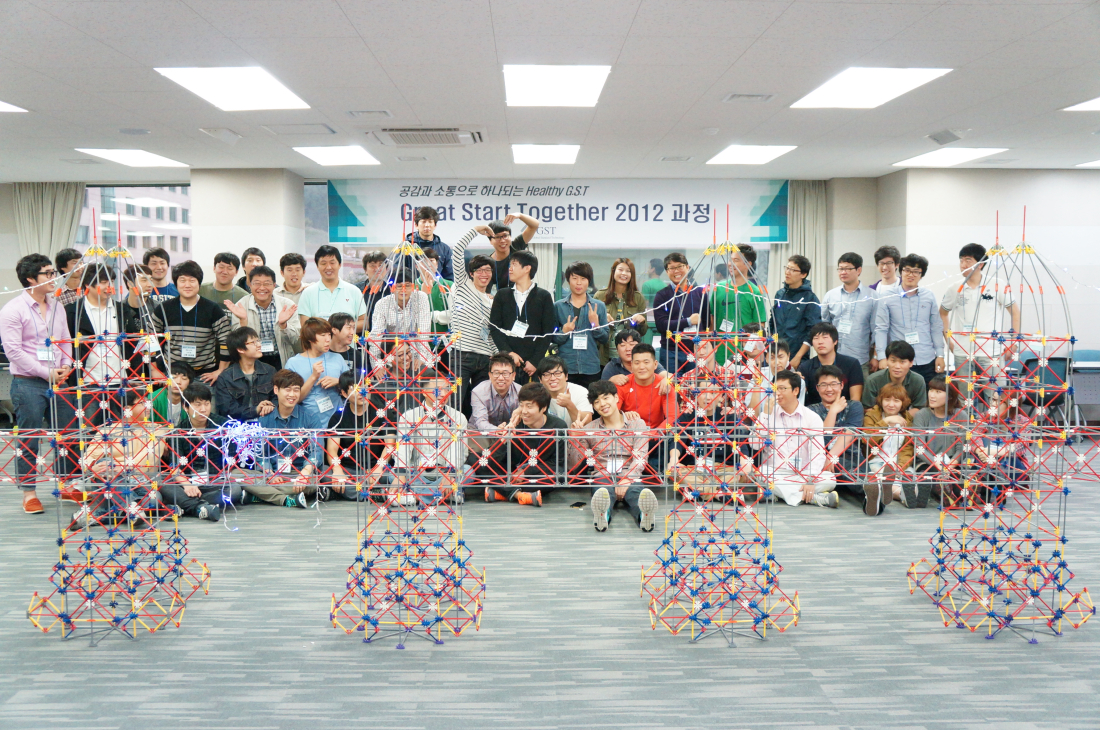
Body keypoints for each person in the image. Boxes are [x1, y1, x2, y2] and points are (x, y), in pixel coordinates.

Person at [0, 253, 74, 514]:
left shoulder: (57, 306)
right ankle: (29, 493)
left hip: (59, 380)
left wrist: (67, 365)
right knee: (30, 438)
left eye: (54, 272)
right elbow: (14, 352)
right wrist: (46, 373)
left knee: (67, 434)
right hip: (28, 382)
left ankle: (67, 484)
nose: (54, 277)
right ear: (31, 278)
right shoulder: (12, 310)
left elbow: (65, 339)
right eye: (48, 273)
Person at [69, 390, 169, 528]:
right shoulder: (107, 431)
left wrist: (120, 468)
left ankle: (100, 515)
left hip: (140, 482)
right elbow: (87, 458)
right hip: (111, 481)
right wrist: (93, 466)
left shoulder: (157, 430)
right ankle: (131, 508)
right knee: (104, 465)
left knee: (153, 500)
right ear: (127, 409)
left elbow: (148, 458)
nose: (148, 406)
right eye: (142, 403)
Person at [62, 263, 143, 430]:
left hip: (118, 381)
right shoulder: (73, 311)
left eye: (111, 282)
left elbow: (132, 345)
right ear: (88, 285)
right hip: (87, 382)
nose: (109, 287)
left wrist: (134, 374)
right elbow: (66, 345)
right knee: (88, 431)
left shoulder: (121, 310)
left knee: (120, 432)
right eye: (104, 282)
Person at [571, 380, 657, 532]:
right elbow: (574, 463)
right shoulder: (590, 428)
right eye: (597, 402)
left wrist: (626, 479)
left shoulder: (637, 424)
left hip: (629, 472)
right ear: (593, 407)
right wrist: (576, 438)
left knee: (636, 492)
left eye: (606, 398)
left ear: (616, 398)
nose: (602, 404)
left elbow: (641, 456)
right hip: (602, 473)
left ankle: (644, 516)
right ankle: (603, 516)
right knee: (602, 491)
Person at [749, 370, 838, 508]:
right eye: (775, 388)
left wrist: (810, 480)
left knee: (830, 479)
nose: (777, 393)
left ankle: (779, 493)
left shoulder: (812, 417)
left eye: (782, 388)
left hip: (804, 472)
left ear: (796, 390)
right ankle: (814, 498)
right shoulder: (768, 413)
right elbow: (755, 445)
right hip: (776, 471)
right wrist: (765, 415)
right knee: (761, 473)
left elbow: (817, 452)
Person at [477, 382, 566, 508]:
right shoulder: (516, 423)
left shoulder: (558, 426)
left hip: (534, 474)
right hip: (510, 472)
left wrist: (525, 472)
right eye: (521, 405)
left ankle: (502, 491)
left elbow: (557, 463)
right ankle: (519, 495)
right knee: (478, 460)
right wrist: (504, 439)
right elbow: (491, 459)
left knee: (558, 476)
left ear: (543, 408)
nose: (524, 411)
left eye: (529, 406)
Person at [939, 242, 1021, 379]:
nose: (963, 265)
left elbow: (1015, 312)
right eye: (961, 260)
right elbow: (942, 313)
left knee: (994, 391)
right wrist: (950, 342)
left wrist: (1014, 342)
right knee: (965, 392)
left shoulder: (997, 284)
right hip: (962, 354)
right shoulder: (954, 288)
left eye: (968, 260)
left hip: (991, 353)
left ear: (981, 264)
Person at [162, 382, 239, 521]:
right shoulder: (178, 432)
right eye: (197, 405)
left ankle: (186, 504)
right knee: (162, 481)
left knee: (235, 490)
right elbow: (175, 466)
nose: (203, 409)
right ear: (186, 407)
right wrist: (186, 484)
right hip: (187, 482)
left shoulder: (223, 426)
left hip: (215, 482)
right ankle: (199, 506)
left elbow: (231, 460)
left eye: (206, 404)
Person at [392, 369, 469, 505]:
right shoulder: (409, 416)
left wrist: (449, 474)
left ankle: (413, 497)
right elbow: (403, 448)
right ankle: (445, 495)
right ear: (423, 391)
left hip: (444, 471)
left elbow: (459, 450)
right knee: (391, 474)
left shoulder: (458, 417)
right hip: (417, 471)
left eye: (446, 389)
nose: (443, 394)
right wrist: (401, 474)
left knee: (468, 471)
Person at [666, 377, 749, 503]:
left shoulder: (728, 416)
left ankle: (697, 491)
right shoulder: (688, 416)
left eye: (713, 393)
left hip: (723, 469)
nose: (708, 397)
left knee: (746, 472)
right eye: (703, 392)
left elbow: (739, 442)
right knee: (673, 471)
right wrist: (674, 458)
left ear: (721, 396)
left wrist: (744, 461)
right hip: (695, 469)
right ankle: (720, 493)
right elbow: (677, 441)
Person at [149, 260, 231, 384]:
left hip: (204, 375)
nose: (187, 285)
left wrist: (221, 370)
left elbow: (226, 340)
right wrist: (154, 370)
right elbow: (150, 339)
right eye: (182, 280)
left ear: (199, 283)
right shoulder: (163, 309)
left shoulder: (213, 309)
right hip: (172, 374)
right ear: (176, 283)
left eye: (192, 280)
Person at [254, 369, 325, 508]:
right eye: (287, 390)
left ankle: (260, 494)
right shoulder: (265, 419)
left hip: (300, 472)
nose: (292, 395)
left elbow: (317, 450)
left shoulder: (310, 417)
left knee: (314, 482)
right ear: (276, 390)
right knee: (235, 475)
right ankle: (286, 498)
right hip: (274, 474)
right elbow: (260, 454)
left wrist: (305, 473)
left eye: (296, 390)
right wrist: (269, 473)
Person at [448, 227, 499, 413]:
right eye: (479, 270)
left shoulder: (493, 301)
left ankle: (478, 433)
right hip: (461, 354)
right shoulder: (463, 285)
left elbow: (490, 333)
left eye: (488, 270)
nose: (484, 274)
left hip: (485, 357)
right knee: (454, 402)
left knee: (481, 406)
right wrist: (475, 230)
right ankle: (452, 432)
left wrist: (497, 354)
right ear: (471, 273)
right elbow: (457, 251)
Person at [874, 253, 944, 385]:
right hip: (898, 361)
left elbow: (936, 326)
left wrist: (940, 354)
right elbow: (881, 329)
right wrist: (882, 357)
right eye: (907, 270)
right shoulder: (887, 297)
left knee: (925, 396)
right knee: (897, 396)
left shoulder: (928, 296)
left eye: (916, 271)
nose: (911, 274)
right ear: (901, 271)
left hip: (925, 358)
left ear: (921, 275)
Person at [488, 250, 556, 382]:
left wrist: (535, 361)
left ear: (527, 268)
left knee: (533, 394)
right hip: (507, 364)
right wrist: (509, 353)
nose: (510, 269)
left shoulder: (544, 296)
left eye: (514, 265)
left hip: (533, 366)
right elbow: (495, 328)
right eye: (510, 265)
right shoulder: (502, 295)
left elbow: (547, 332)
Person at [700, 244, 768, 366]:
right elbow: (712, 321)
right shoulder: (718, 289)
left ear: (748, 264)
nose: (730, 264)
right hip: (719, 352)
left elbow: (759, 327)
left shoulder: (755, 292)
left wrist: (750, 352)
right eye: (730, 260)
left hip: (744, 356)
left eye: (736, 260)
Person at [222, 264, 300, 369]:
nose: (262, 288)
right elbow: (237, 343)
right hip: (252, 360)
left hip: (281, 358)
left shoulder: (287, 305)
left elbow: (295, 339)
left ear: (274, 285)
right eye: (257, 283)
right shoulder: (241, 306)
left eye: (267, 283)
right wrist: (243, 321)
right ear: (250, 285)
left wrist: (284, 325)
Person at [807, 365, 865, 504]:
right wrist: (832, 412)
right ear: (817, 388)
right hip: (822, 463)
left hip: (852, 457)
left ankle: (875, 497)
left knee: (856, 470)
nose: (829, 389)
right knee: (846, 468)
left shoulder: (854, 406)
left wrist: (831, 457)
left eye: (833, 384)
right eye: (824, 385)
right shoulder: (810, 411)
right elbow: (822, 439)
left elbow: (850, 433)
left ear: (841, 385)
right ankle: (872, 490)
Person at [820, 252, 877, 376]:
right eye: (840, 269)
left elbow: (876, 329)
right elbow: (824, 326)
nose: (843, 272)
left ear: (858, 270)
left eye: (847, 269)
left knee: (859, 389)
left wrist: (876, 356)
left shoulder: (872, 296)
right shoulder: (830, 295)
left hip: (860, 359)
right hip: (833, 358)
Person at [553, 261, 608, 389]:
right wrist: (564, 332)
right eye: (575, 278)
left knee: (590, 400)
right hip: (566, 367)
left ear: (589, 281)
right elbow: (552, 338)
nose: (579, 283)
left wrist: (595, 325)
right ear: (568, 280)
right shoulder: (558, 306)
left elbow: (605, 338)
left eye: (583, 279)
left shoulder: (599, 306)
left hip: (590, 367)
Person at [284, 316, 350, 424]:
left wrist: (339, 381)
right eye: (323, 335)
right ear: (310, 338)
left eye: (329, 334)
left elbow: (354, 388)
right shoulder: (293, 363)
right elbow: (293, 399)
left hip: (338, 419)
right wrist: (313, 377)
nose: (328, 339)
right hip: (308, 422)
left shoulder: (337, 358)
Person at [863, 383, 915, 516]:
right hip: (877, 462)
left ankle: (900, 494)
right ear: (881, 400)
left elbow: (907, 448)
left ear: (903, 403)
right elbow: (868, 440)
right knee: (879, 480)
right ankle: (901, 496)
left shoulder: (907, 419)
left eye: (896, 400)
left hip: (898, 464)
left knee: (912, 480)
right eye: (887, 399)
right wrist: (885, 422)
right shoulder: (871, 416)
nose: (891, 404)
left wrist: (900, 466)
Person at [912, 375, 963, 508]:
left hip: (953, 463)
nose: (932, 395)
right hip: (928, 463)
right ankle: (944, 493)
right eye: (931, 390)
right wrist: (940, 467)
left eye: (938, 392)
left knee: (962, 477)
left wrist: (949, 467)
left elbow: (961, 447)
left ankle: (961, 494)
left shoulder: (961, 415)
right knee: (930, 476)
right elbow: (919, 448)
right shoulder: (922, 415)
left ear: (950, 396)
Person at [325, 370, 375, 500]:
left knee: (398, 475)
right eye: (355, 388)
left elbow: (389, 445)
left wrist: (379, 468)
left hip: (374, 470)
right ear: (343, 393)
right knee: (321, 471)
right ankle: (374, 494)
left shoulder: (380, 412)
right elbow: (332, 449)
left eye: (364, 386)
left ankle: (341, 492)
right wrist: (337, 469)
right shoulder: (338, 417)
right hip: (347, 470)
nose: (362, 392)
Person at [653, 252, 704, 374]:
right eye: (672, 268)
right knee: (672, 384)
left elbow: (707, 321)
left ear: (687, 267)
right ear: (667, 271)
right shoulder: (662, 295)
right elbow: (661, 325)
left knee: (696, 384)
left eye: (680, 266)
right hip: (671, 351)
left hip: (696, 350)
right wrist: (688, 321)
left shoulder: (700, 292)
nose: (676, 271)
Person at [214, 327, 276, 423]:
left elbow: (278, 397)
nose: (259, 345)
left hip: (266, 423)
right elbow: (227, 409)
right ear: (240, 349)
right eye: (253, 342)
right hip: (237, 426)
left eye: (258, 341)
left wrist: (270, 406)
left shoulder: (270, 371)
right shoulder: (225, 378)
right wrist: (255, 410)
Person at [297, 245, 366, 331]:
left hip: (347, 340)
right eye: (323, 263)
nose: (328, 267)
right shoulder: (308, 293)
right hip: (318, 340)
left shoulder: (354, 291)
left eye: (332, 263)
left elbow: (364, 322)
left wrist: (343, 328)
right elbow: (305, 326)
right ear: (317, 266)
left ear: (339, 264)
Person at [770, 254, 820, 370]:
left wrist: (798, 357)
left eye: (792, 270)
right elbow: (773, 322)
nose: (787, 272)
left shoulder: (810, 298)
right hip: (777, 353)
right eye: (787, 268)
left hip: (797, 357)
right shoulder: (780, 294)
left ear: (803, 274)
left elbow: (812, 331)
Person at [595, 258, 648, 366]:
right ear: (613, 271)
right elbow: (591, 326)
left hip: (630, 356)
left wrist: (642, 322)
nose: (624, 273)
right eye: (620, 270)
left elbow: (642, 332)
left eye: (628, 271)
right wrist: (601, 318)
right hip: (604, 356)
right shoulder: (600, 296)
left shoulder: (638, 298)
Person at [797, 322, 864, 406]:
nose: (820, 342)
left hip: (845, 410)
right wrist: (797, 382)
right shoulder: (805, 367)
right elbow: (799, 398)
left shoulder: (851, 364)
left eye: (825, 337)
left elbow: (855, 400)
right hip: (815, 412)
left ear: (835, 341)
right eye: (816, 338)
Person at [616, 343, 676, 431]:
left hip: (657, 434)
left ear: (655, 364)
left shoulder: (665, 385)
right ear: (632, 365)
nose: (641, 367)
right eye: (637, 363)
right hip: (627, 434)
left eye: (646, 362)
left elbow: (673, 417)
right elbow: (612, 414)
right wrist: (623, 415)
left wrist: (652, 435)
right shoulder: (622, 384)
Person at [469, 352, 521, 450]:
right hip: (481, 432)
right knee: (482, 452)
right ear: (490, 375)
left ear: (513, 375)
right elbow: (480, 422)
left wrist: (508, 429)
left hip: (509, 432)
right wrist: (497, 430)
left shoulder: (520, 392)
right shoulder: (478, 392)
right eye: (496, 373)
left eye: (505, 373)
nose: (500, 378)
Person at [861, 340, 927, 415]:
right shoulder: (873, 380)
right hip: (879, 419)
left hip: (906, 419)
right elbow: (868, 408)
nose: (897, 366)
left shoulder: (918, 380)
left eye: (902, 362)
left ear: (911, 363)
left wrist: (899, 419)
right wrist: (887, 419)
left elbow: (919, 408)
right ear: (887, 360)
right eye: (893, 361)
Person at [486, 213, 540, 292]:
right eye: (497, 237)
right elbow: (486, 291)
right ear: (490, 241)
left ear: (510, 236)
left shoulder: (516, 246)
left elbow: (534, 225)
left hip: (525, 295)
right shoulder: (489, 264)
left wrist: (520, 215)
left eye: (505, 235)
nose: (502, 240)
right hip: (504, 298)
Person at [536, 355, 594, 427]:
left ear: (566, 376)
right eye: (547, 374)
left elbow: (587, 424)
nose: (553, 378)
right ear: (540, 379)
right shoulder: (536, 395)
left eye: (557, 373)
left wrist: (569, 405)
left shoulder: (580, 392)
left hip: (574, 433)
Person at [405, 206, 455, 281]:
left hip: (438, 287)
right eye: (423, 222)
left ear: (435, 225)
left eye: (430, 222)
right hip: (413, 287)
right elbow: (399, 274)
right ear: (416, 225)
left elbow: (449, 276)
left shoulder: (444, 249)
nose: (427, 225)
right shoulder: (406, 247)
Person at [601, 329, 666, 384]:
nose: (628, 349)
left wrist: (666, 380)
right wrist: (611, 381)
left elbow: (667, 376)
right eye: (623, 345)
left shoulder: (648, 362)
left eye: (632, 344)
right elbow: (602, 390)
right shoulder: (612, 367)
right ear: (617, 349)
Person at [416, 247, 452, 334]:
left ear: (437, 265)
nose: (428, 264)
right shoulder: (410, 286)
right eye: (423, 261)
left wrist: (432, 315)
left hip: (445, 339)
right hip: (418, 339)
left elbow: (456, 314)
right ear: (416, 266)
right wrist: (423, 293)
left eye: (431, 261)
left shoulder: (449, 285)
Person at [152, 360, 194, 426]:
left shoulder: (192, 399)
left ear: (190, 383)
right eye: (173, 377)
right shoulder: (153, 398)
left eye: (184, 378)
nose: (178, 382)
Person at [358, 249, 391, 330]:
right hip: (361, 336)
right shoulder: (357, 291)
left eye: (381, 265)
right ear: (365, 270)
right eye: (372, 265)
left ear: (386, 269)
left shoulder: (392, 291)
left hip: (386, 336)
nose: (377, 269)